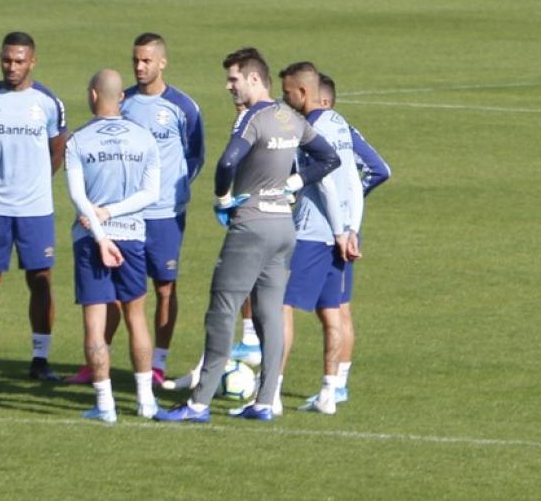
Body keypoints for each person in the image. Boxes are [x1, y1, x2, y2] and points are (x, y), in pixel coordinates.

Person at [155, 48, 340, 423]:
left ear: (254, 79)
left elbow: (226, 162)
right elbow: (329, 158)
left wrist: (223, 197)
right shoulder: (290, 117)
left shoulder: (251, 119)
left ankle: (198, 404)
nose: (228, 86)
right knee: (269, 316)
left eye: (234, 79)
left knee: (222, 311)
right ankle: (264, 401)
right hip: (283, 228)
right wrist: (296, 181)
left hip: (251, 226)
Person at [63, 33, 203, 386]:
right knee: (108, 290)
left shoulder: (183, 107)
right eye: (135, 60)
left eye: (146, 61)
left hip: (164, 212)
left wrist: (178, 190)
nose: (140, 67)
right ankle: (98, 360)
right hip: (122, 216)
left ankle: (158, 363)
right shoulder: (121, 102)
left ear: (162, 62)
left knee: (163, 288)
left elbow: (195, 154)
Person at [0, 31, 69, 381]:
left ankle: (40, 359)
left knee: (40, 280)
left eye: (19, 60)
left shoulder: (49, 103)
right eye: (7, 59)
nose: (12, 66)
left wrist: (36, 179)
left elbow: (58, 149)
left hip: (35, 208)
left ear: (32, 61)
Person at [267, 61, 363, 417]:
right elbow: (353, 179)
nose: (284, 97)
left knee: (281, 307)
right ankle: (328, 392)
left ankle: (272, 393)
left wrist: (339, 230)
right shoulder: (340, 123)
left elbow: (323, 181)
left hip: (312, 232)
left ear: (303, 93)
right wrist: (352, 228)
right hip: (341, 233)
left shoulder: (308, 130)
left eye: (288, 91)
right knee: (332, 312)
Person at [64, 69, 161, 422]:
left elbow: (77, 195)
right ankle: (146, 400)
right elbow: (151, 194)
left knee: (95, 323)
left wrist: (101, 230)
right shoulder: (144, 138)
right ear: (121, 97)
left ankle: (105, 406)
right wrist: (114, 212)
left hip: (91, 240)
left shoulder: (79, 140)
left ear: (93, 95)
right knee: (136, 318)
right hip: (133, 235)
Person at [298, 72, 391, 408]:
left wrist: (338, 205)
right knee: (340, 310)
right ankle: (337, 386)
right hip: (350, 228)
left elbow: (326, 179)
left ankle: (268, 384)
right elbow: (379, 169)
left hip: (322, 228)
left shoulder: (314, 129)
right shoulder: (346, 130)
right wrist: (352, 208)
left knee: (289, 305)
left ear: (320, 100)